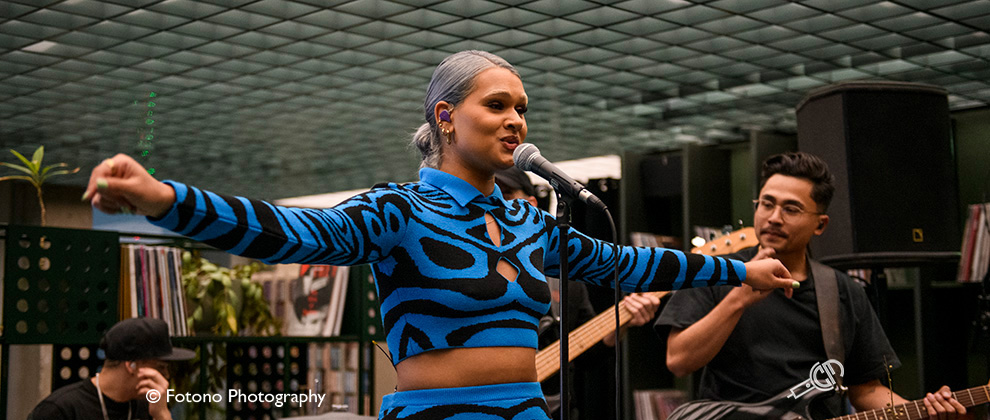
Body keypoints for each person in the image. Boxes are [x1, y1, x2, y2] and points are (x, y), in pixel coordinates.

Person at [83, 50, 796, 420]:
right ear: (446, 116)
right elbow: (289, 231)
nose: (516, 120)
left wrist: (742, 272)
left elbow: (627, 263)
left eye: (522, 108)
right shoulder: (397, 210)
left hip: (527, 413)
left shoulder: (529, 219)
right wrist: (163, 198)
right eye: (498, 105)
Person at [656, 152, 966, 419]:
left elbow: (866, 390)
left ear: (820, 224)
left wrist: (921, 411)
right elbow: (679, 361)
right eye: (766, 204)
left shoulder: (842, 291)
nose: (774, 218)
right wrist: (737, 300)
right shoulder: (716, 272)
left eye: (791, 209)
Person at [495, 166, 660, 419]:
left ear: (530, 204)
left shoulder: (565, 277)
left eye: (505, 194)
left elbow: (588, 357)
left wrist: (621, 322)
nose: (495, 202)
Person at [29, 317, 195, 420]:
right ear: (131, 365)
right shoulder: (60, 410)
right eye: (160, 367)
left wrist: (162, 415)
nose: (166, 375)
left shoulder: (149, 408)